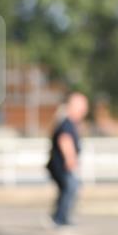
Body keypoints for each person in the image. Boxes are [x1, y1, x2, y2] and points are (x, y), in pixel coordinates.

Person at [46, 92, 88, 227]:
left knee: (67, 189)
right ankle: (59, 219)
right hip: (62, 165)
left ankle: (60, 217)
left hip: (59, 165)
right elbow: (65, 140)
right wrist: (70, 159)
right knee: (71, 188)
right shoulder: (67, 123)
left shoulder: (68, 122)